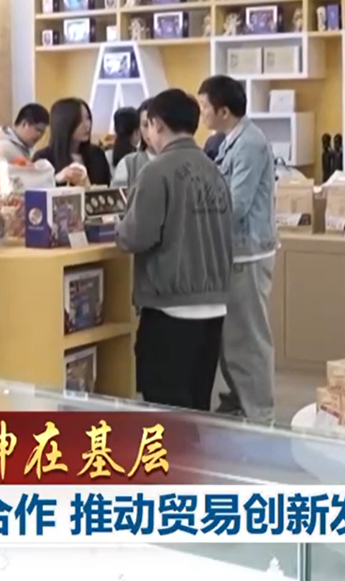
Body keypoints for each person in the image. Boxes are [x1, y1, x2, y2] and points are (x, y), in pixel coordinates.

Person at [115, 88, 234, 411]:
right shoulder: (214, 170)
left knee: (165, 411)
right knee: (197, 408)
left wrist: (116, 227)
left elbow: (136, 236)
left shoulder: (156, 172)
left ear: (156, 124)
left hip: (170, 309)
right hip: (214, 307)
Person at [199, 75, 278, 422]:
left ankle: (259, 411)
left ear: (224, 111)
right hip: (234, 252)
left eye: (205, 107)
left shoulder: (249, 144)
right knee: (232, 338)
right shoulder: (230, 141)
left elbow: (237, 204)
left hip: (248, 253)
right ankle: (238, 399)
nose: (202, 114)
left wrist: (199, 222)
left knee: (248, 338)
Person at [33, 97, 113, 187]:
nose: (87, 125)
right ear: (64, 122)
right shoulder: (44, 158)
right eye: (79, 120)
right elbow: (36, 189)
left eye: (88, 118)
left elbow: (106, 188)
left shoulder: (97, 154)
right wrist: (57, 178)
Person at [111, 100, 152, 189]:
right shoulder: (128, 164)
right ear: (138, 129)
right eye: (145, 125)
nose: (151, 130)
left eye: (155, 124)